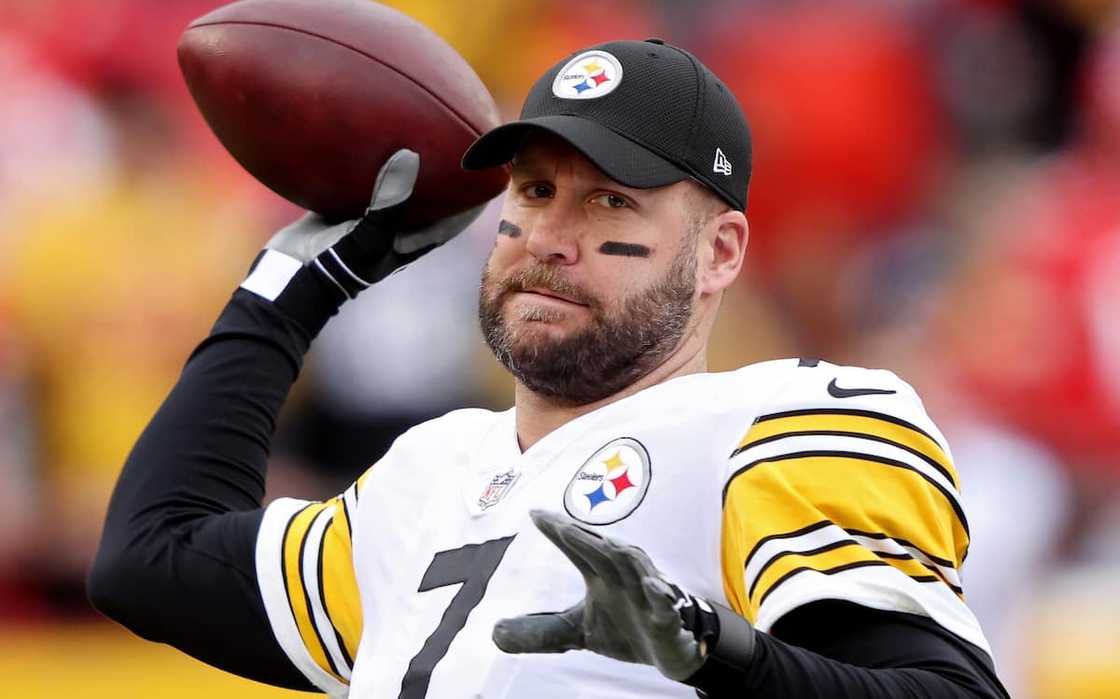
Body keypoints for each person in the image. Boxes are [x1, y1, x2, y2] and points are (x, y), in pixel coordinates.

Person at [89, 39, 1009, 698]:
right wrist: (285, 297)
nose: (553, 242)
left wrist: (713, 652)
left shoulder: (777, 420)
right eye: (534, 191)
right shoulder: (428, 472)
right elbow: (148, 560)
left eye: (610, 199)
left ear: (721, 250)